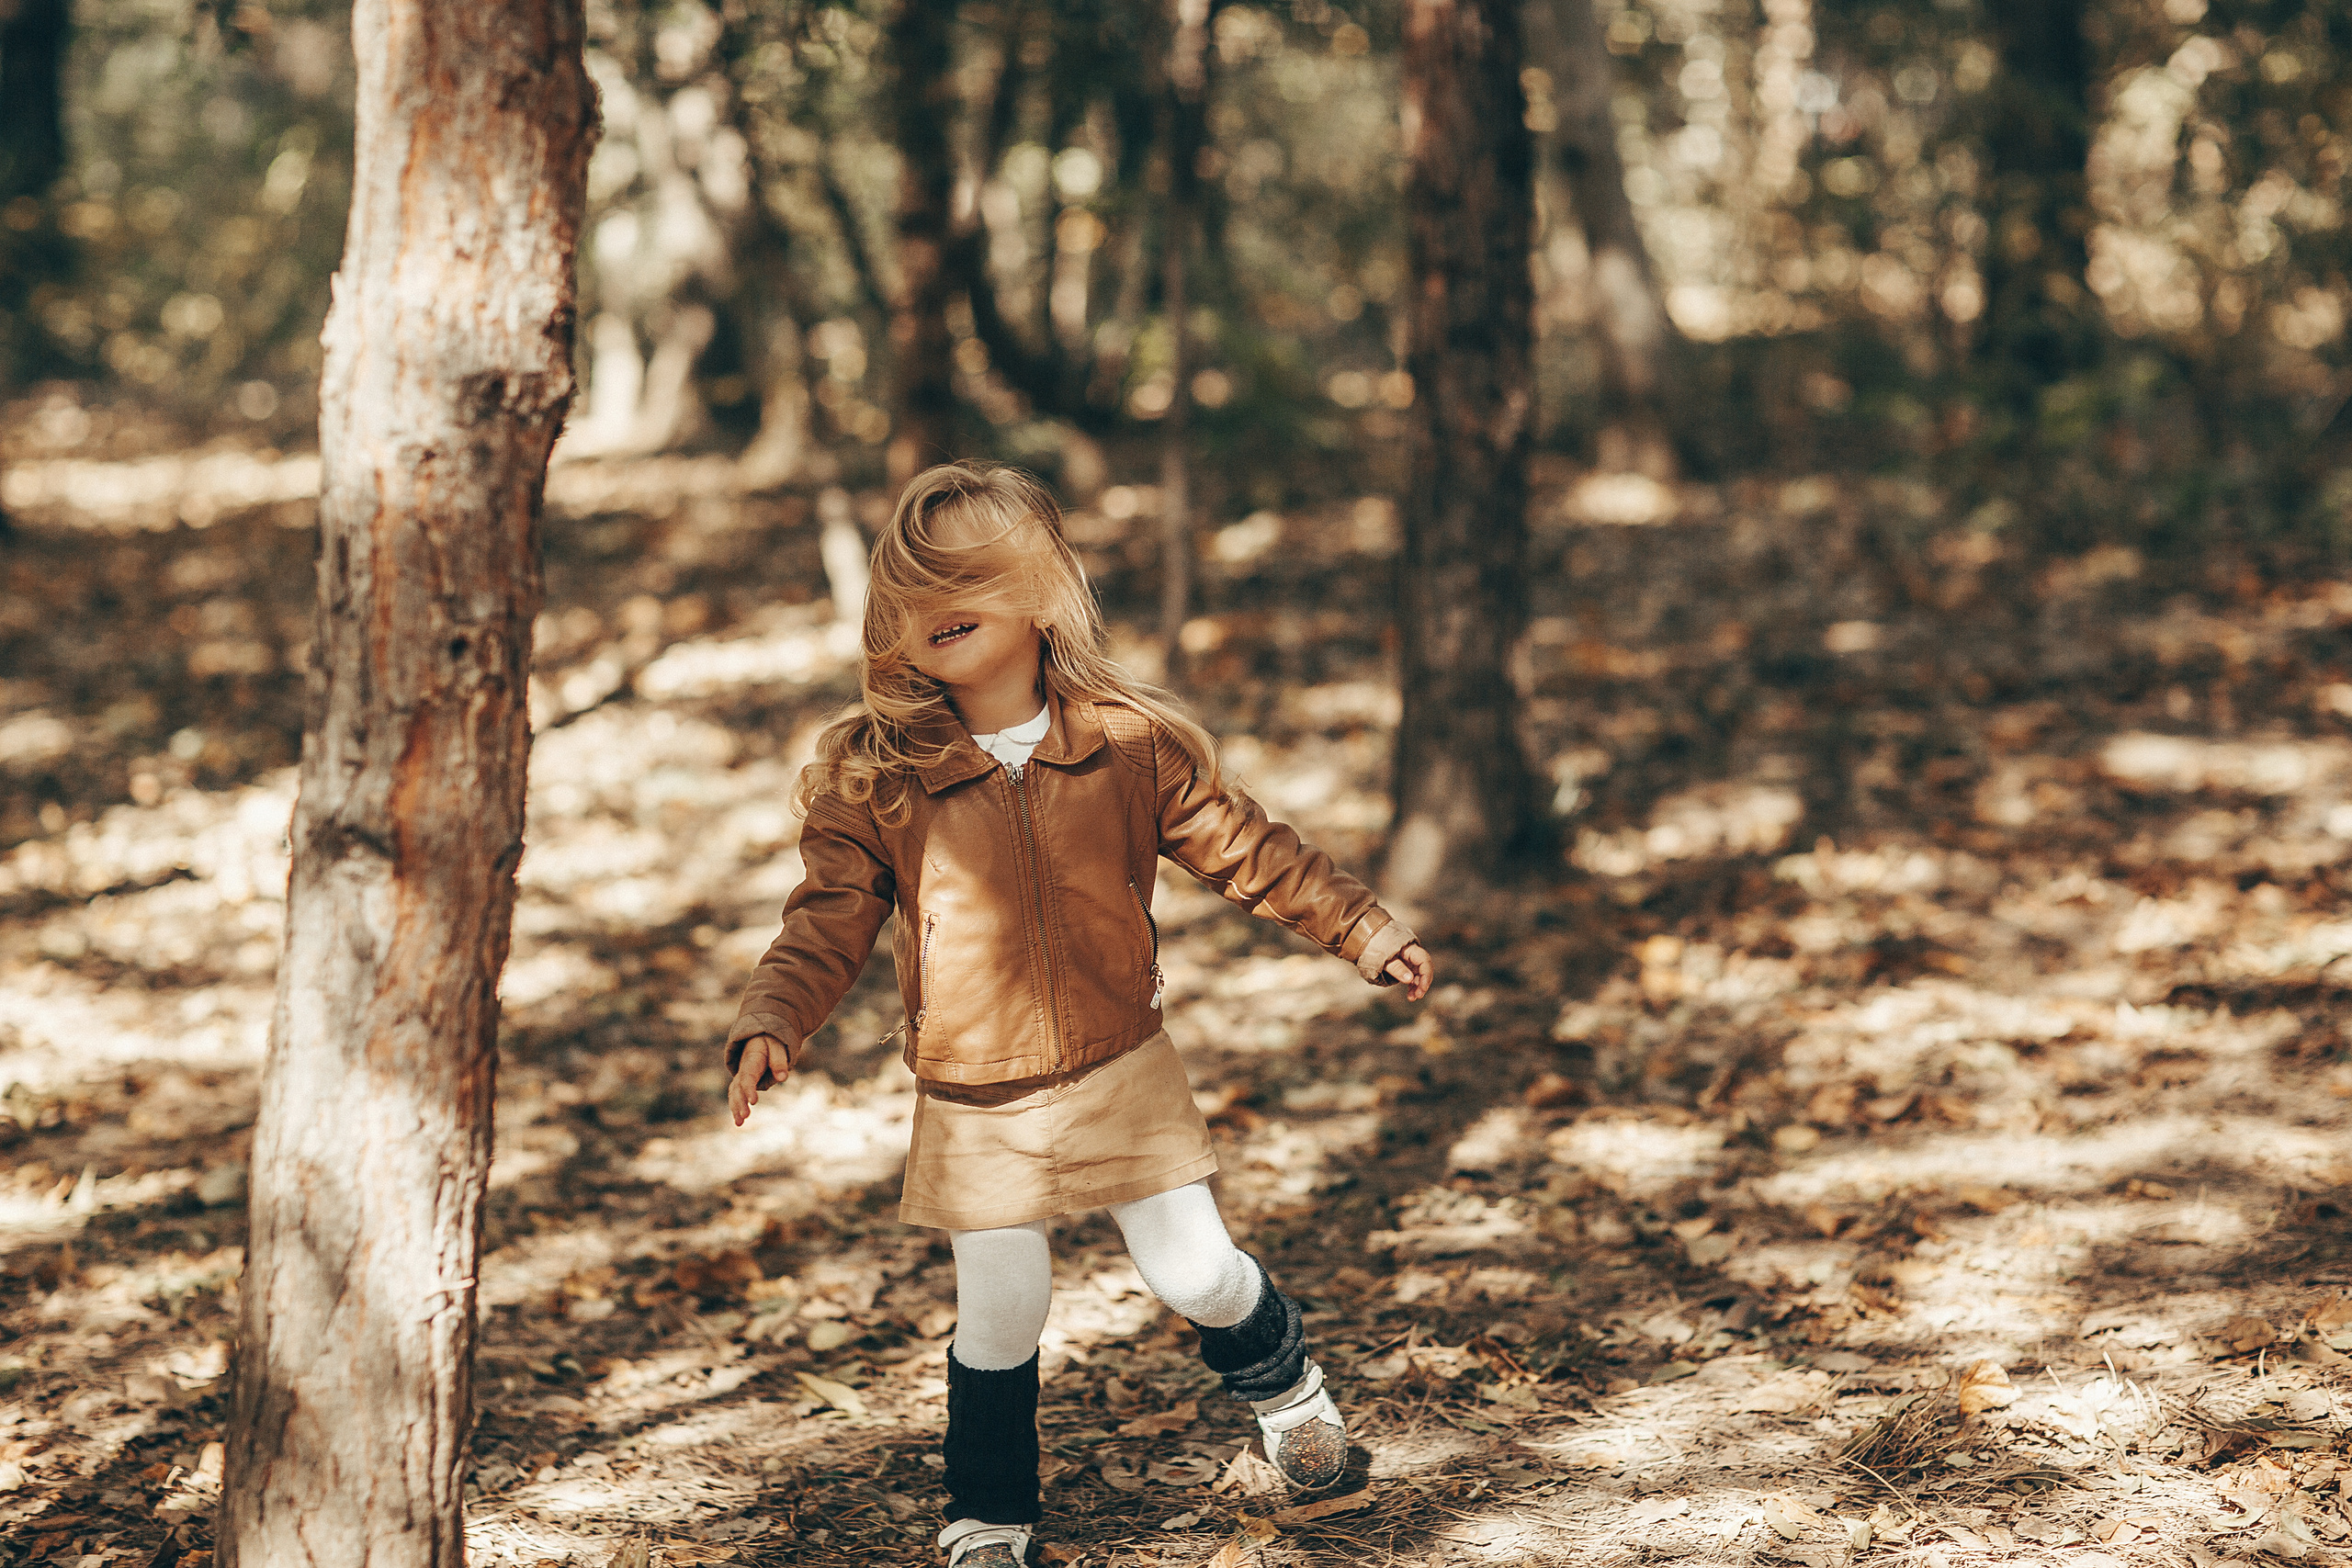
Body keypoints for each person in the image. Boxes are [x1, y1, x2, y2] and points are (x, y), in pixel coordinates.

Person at [724, 462, 1434, 1568]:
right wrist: (775, 1018)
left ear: (1041, 588)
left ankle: (1294, 1406)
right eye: (908, 591)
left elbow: (1248, 850)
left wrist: (1362, 929)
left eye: (961, 578)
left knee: (1196, 1273)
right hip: (974, 1092)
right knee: (1003, 1310)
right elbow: (826, 919)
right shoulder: (885, 779)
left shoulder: (1126, 745)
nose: (932, 608)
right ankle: (988, 1519)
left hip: (1120, 1062)